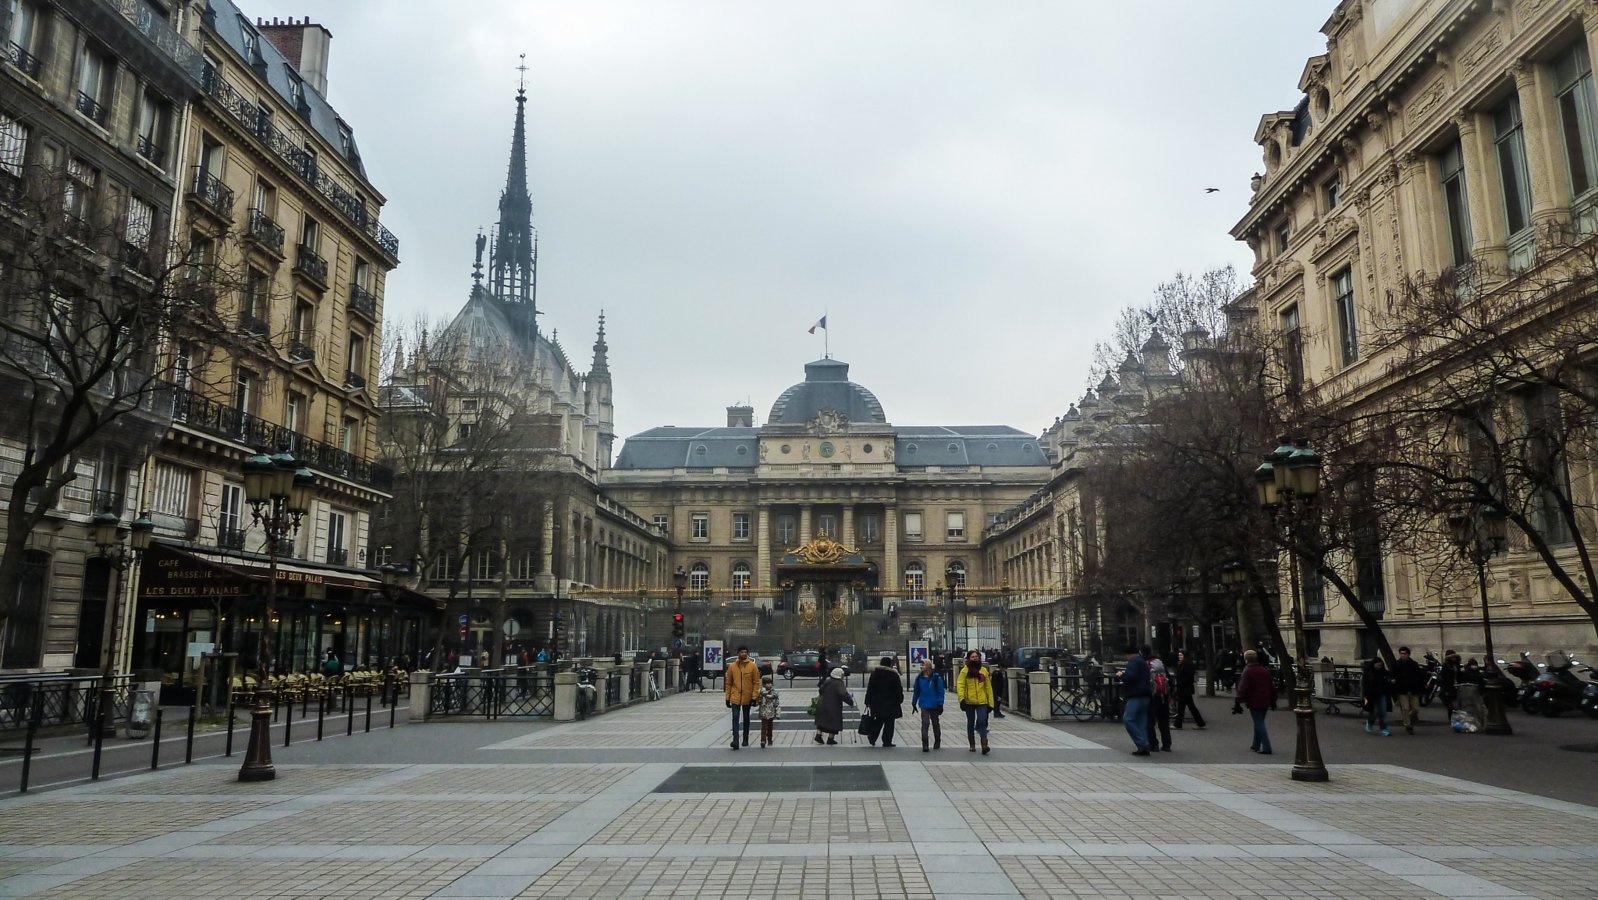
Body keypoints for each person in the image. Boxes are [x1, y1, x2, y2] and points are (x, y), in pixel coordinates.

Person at [1234, 649, 1274, 754]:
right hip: (1265, 700)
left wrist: (1238, 701)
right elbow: (1271, 686)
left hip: (1254, 701)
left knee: (1259, 723)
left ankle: (1266, 747)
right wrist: (1273, 700)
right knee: (1259, 722)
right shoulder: (1263, 670)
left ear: (1246, 660)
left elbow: (1243, 687)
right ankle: (1255, 744)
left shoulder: (1247, 671)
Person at [956, 650, 995, 755]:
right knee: (970, 722)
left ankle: (984, 745)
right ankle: (972, 744)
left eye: (976, 656)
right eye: (972, 657)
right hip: (969, 701)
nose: (975, 658)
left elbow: (988, 688)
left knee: (982, 722)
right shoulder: (965, 671)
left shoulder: (983, 671)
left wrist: (991, 703)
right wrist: (961, 699)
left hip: (982, 701)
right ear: (969, 658)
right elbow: (960, 685)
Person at [864, 655, 905, 748]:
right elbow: (898, 689)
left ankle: (872, 737)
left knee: (878, 721)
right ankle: (887, 741)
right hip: (891, 702)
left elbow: (870, 688)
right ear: (890, 664)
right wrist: (900, 699)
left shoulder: (875, 673)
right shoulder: (894, 675)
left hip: (877, 702)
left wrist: (867, 701)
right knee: (889, 723)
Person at [725, 646, 761, 750]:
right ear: (738, 653)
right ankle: (735, 740)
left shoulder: (752, 666)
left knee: (746, 718)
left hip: (747, 696)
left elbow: (756, 682)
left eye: (745, 652)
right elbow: (728, 683)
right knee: (735, 718)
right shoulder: (732, 666)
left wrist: (754, 697)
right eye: (742, 652)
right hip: (735, 696)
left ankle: (745, 738)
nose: (744, 654)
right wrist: (727, 698)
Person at [1120, 647, 1152, 756]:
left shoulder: (1133, 662)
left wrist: (1122, 675)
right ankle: (1145, 745)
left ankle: (1142, 743)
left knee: (1128, 719)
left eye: (1125, 656)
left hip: (1136, 695)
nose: (1125, 658)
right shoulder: (1142, 661)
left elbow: (1131, 677)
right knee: (1141, 722)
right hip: (1145, 695)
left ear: (1129, 655)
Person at [910, 658, 946, 752]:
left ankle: (937, 740)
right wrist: (914, 702)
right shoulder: (919, 678)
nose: (921, 667)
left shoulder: (936, 678)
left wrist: (940, 703)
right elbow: (916, 691)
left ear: (928, 666)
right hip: (924, 704)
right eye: (921, 665)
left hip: (934, 704)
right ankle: (925, 743)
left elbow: (940, 691)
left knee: (935, 723)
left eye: (923, 665)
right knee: (925, 723)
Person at [814, 667, 853, 745]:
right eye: (842, 675)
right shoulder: (839, 683)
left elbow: (821, 690)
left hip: (822, 704)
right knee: (834, 722)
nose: (843, 676)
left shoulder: (827, 681)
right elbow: (842, 694)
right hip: (834, 706)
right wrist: (850, 701)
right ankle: (830, 738)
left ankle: (818, 735)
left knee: (822, 720)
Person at [1392, 646, 1425, 734]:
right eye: (1401, 653)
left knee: (1415, 709)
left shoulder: (1414, 664)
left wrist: (1420, 688)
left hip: (1413, 690)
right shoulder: (1396, 664)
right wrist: (1393, 680)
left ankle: (1409, 720)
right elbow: (1392, 675)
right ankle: (1407, 725)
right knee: (1405, 708)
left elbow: (1419, 677)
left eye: (1404, 654)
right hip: (1402, 690)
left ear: (1408, 654)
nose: (1403, 655)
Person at [1146, 647, 1172, 752]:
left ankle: (1153, 744)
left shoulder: (1146, 664)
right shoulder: (1160, 664)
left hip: (1152, 696)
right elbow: (1169, 679)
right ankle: (1167, 744)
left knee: (1149, 721)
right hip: (1163, 696)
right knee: (1164, 721)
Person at [1173, 649, 1206, 730]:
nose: (1179, 657)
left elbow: (1186, 677)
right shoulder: (1184, 664)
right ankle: (1200, 722)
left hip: (1184, 688)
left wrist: (1179, 684)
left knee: (1182, 707)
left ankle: (1178, 724)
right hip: (1185, 688)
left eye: (1181, 655)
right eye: (1179, 655)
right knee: (1190, 706)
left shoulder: (1186, 664)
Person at [1362, 657, 1393, 736]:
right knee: (1374, 711)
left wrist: (1390, 682)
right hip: (1371, 694)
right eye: (1378, 665)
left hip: (1381, 694)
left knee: (1382, 712)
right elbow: (1365, 684)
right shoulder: (1369, 673)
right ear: (1374, 665)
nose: (1379, 667)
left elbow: (1387, 682)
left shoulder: (1384, 673)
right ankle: (1370, 722)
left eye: (1381, 665)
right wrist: (1365, 694)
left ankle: (1384, 729)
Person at [757, 674, 781, 748]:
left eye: (770, 683)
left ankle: (770, 739)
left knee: (770, 727)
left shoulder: (774, 693)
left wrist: (778, 713)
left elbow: (777, 704)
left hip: (771, 712)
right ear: (764, 684)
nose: (769, 685)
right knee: (764, 727)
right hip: (764, 712)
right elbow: (759, 701)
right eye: (767, 683)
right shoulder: (761, 692)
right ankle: (763, 740)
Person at [991, 654, 1008, 719]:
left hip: (999, 690)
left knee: (998, 702)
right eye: (1003, 668)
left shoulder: (997, 673)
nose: (1004, 669)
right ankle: (996, 712)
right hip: (997, 690)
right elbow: (995, 684)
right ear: (1000, 667)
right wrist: (996, 694)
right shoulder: (996, 673)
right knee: (996, 702)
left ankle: (998, 712)